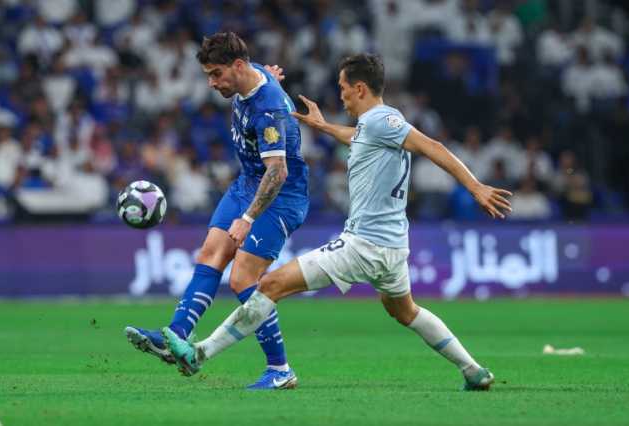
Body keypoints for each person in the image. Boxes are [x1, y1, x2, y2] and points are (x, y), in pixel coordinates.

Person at [162, 53, 512, 390]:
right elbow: (358, 137)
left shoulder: (384, 119)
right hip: (392, 247)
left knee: (269, 286)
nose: (340, 93)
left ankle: (201, 353)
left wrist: (475, 186)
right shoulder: (371, 128)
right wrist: (323, 126)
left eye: (343, 87)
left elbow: (431, 145)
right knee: (405, 311)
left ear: (360, 88)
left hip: (363, 244)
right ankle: (472, 369)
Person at [125, 32, 309, 390]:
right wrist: (269, 75)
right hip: (246, 184)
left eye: (216, 74)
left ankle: (280, 369)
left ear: (237, 66)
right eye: (208, 74)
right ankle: (175, 334)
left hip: (279, 196)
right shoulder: (251, 77)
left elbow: (278, 171)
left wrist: (248, 218)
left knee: (243, 278)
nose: (211, 83)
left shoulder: (268, 107)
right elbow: (262, 75)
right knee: (210, 253)